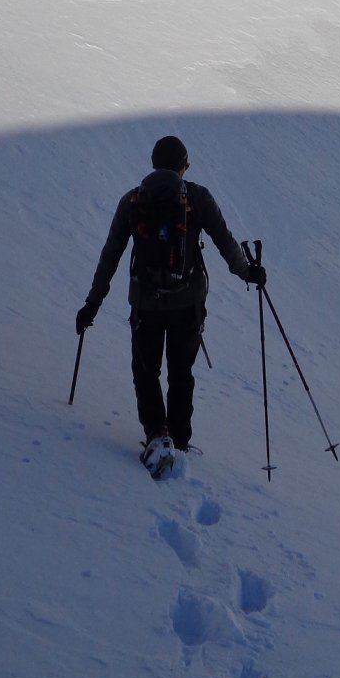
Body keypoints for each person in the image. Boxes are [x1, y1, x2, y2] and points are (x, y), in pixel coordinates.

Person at [76, 134, 264, 474]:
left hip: (145, 305)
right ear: (183, 165)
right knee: (181, 373)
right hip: (188, 303)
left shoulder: (133, 201)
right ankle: (178, 442)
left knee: (146, 372)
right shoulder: (197, 197)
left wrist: (92, 304)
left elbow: (110, 257)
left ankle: (156, 436)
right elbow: (225, 241)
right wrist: (248, 273)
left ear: (153, 163)